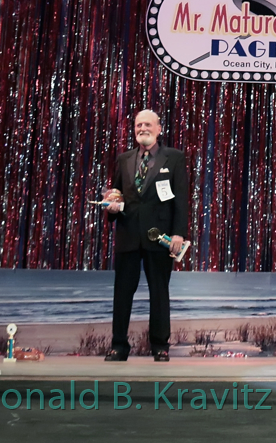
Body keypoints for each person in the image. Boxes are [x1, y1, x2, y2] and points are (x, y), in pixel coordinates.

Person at [103, 109, 188, 362]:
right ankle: (119, 346)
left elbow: (181, 199)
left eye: (148, 125)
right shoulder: (124, 158)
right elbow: (116, 193)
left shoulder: (173, 157)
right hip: (128, 234)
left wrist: (178, 233)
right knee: (122, 293)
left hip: (159, 236)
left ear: (159, 129)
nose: (143, 129)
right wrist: (112, 206)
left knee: (159, 292)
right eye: (139, 125)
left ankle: (160, 346)